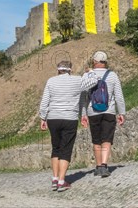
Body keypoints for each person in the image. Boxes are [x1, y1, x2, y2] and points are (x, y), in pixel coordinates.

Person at [39, 61, 86, 192]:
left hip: (53, 118)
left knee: (56, 148)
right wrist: (83, 115)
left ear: (58, 70)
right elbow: (84, 95)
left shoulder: (51, 81)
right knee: (66, 149)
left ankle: (54, 179)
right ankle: (61, 181)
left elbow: (45, 101)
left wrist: (43, 118)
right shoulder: (78, 80)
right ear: (70, 69)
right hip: (69, 118)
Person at [81, 51, 126, 178]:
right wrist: (121, 112)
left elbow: (83, 97)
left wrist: (83, 114)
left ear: (94, 62)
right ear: (105, 62)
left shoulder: (88, 75)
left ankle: (98, 166)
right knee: (106, 139)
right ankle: (105, 166)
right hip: (109, 111)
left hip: (92, 111)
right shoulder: (112, 75)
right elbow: (119, 96)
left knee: (96, 140)